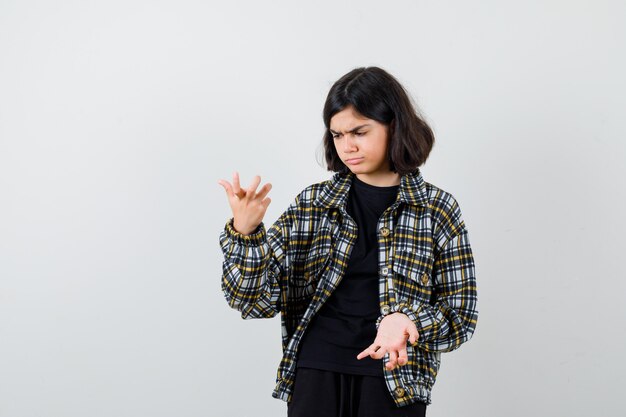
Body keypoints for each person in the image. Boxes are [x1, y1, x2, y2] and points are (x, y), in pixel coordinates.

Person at [217, 66, 479, 417]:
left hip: (395, 379)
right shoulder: (314, 204)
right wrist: (246, 235)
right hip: (316, 371)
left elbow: (461, 315)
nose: (347, 146)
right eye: (338, 135)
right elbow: (253, 303)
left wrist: (408, 321)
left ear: (394, 126)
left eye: (359, 131)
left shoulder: (437, 209)